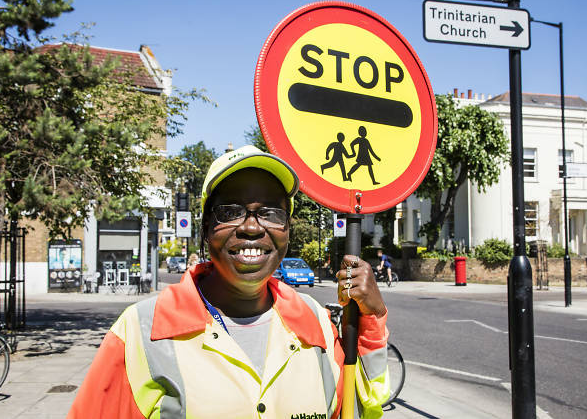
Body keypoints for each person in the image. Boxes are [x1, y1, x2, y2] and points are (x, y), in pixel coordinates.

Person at [68, 145, 390, 418]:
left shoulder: (315, 321)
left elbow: (361, 409)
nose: (252, 226)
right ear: (207, 228)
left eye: (270, 213)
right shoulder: (141, 331)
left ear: (287, 231)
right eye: (231, 212)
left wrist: (372, 321)